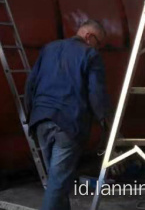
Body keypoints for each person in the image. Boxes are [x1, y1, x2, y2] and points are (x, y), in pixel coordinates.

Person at [25, 20, 111, 210]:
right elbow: (96, 94)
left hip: (41, 120)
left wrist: (31, 116)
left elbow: (31, 84)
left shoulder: (49, 48)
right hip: (68, 124)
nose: (99, 48)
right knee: (57, 183)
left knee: (58, 180)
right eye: (99, 42)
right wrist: (106, 124)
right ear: (89, 37)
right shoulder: (90, 54)